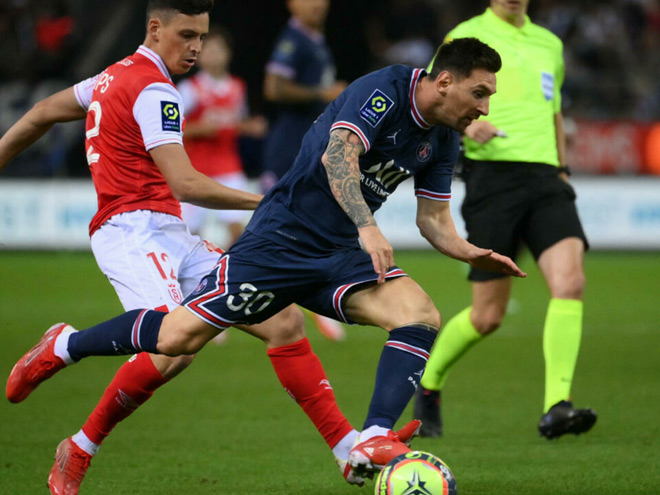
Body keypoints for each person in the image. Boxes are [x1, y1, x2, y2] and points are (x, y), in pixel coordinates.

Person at [7, 37, 526, 487]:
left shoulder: (443, 137)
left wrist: (470, 250)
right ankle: (67, 345)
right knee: (174, 341)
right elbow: (338, 156)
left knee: (417, 313)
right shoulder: (386, 89)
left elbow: (432, 219)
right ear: (444, 81)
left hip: (338, 252)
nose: (484, 108)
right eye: (479, 93)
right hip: (279, 245)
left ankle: (370, 438)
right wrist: (368, 225)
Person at [0, 1, 384, 492]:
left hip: (170, 231)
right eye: (186, 35)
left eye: (201, 36)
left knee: (282, 320)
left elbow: (40, 114)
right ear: (154, 28)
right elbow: (185, 183)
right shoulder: (156, 89)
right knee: (174, 347)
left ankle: (347, 449)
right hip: (130, 231)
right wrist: (270, 201)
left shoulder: (109, 78)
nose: (196, 47)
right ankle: (74, 413)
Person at [415, 0, 597, 440]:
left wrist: (561, 169)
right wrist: (465, 128)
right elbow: (433, 101)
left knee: (570, 282)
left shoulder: (549, 43)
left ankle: (557, 406)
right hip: (492, 180)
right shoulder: (465, 35)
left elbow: (554, 112)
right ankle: (429, 382)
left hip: (546, 178)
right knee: (487, 316)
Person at [260, 0, 349, 342]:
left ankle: (312, 297)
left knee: (307, 224)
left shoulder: (315, 40)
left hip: (309, 148)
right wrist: (322, 93)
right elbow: (274, 88)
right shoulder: (293, 40)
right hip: (289, 150)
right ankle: (219, 296)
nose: (317, 5)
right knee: (272, 228)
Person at [178, 26, 267, 246]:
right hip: (196, 169)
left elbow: (236, 123)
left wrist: (250, 126)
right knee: (188, 235)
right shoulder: (189, 89)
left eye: (219, 50)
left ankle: (226, 266)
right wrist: (200, 129)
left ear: (228, 54)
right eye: (208, 50)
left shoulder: (237, 87)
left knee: (238, 231)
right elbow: (172, 129)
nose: (214, 55)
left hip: (228, 166)